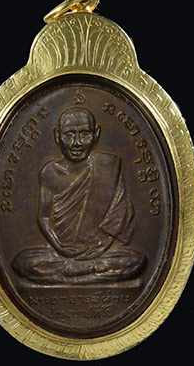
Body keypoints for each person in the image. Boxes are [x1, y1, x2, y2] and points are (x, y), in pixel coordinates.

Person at [12, 106, 145, 284]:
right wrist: (59, 246)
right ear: (57, 136)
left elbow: (119, 217)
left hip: (101, 251)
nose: (77, 143)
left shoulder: (108, 167)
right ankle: (90, 274)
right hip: (60, 252)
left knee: (136, 261)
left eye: (84, 134)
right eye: (69, 135)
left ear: (96, 134)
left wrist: (102, 247)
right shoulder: (50, 172)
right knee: (23, 262)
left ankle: (69, 274)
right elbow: (44, 216)